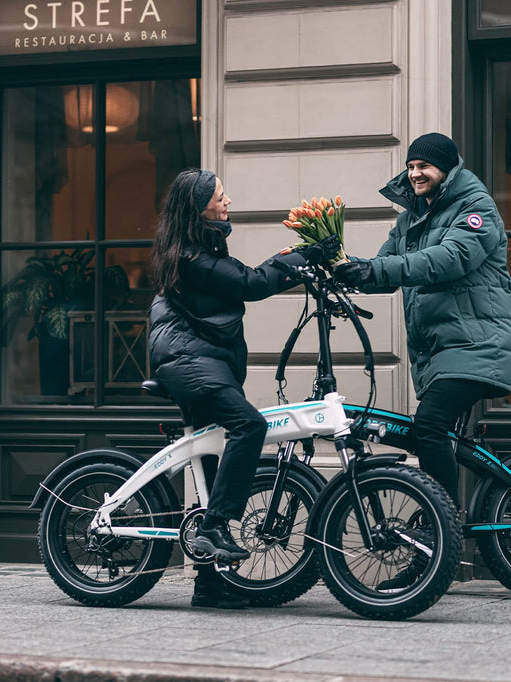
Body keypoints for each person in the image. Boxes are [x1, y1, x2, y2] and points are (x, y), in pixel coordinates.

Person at [148, 168, 340, 609]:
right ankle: (213, 526)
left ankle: (210, 586)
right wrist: (300, 257)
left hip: (201, 361)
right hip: (185, 361)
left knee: (215, 465)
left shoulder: (203, 245)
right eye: (220, 196)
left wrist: (303, 261)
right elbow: (249, 283)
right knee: (248, 426)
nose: (228, 200)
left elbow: (247, 278)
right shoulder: (191, 256)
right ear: (198, 208)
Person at [334, 133, 511, 580]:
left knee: (430, 426)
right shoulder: (411, 219)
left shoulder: (476, 208)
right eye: (411, 165)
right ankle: (436, 542)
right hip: (439, 353)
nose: (415, 173)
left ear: (448, 169)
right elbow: (383, 268)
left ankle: (442, 532)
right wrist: (337, 269)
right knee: (435, 436)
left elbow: (448, 259)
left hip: (475, 347)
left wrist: (377, 269)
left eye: (424, 166)